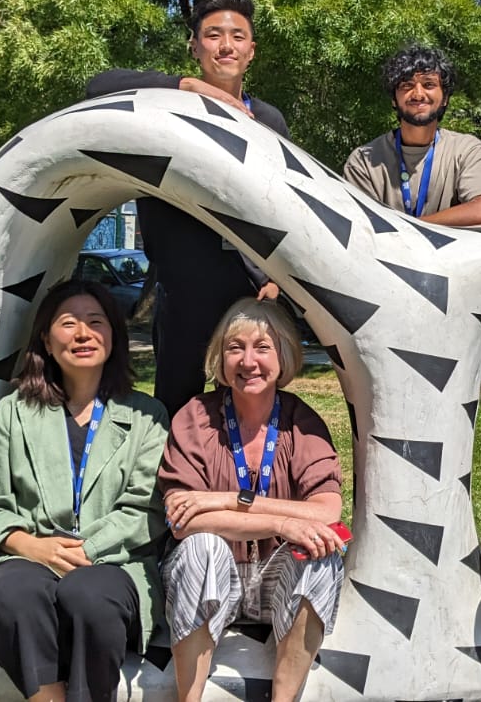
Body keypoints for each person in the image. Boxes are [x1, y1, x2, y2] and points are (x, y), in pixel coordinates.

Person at [0, 280, 169, 702]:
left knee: (88, 593)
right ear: (47, 342)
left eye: (96, 322)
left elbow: (149, 507)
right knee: (16, 591)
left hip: (113, 561)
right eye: (68, 323)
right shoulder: (13, 414)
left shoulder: (147, 416)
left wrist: (83, 550)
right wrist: (33, 548)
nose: (83, 334)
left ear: (113, 336)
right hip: (26, 556)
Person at [83, 0, 286, 413]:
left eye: (237, 36)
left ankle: (246, 477)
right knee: (177, 404)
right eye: (213, 35)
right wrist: (184, 86)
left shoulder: (268, 120)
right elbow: (97, 86)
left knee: (250, 396)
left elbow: (280, 204)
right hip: (181, 281)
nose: (225, 45)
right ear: (194, 47)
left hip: (248, 285)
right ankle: (177, 479)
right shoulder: (165, 102)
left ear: (252, 50)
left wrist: (276, 274)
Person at [157, 299, 347, 702]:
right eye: (234, 347)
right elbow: (183, 518)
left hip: (278, 581)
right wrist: (280, 522)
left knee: (318, 548)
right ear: (220, 358)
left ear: (284, 356)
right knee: (200, 546)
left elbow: (327, 510)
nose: (248, 361)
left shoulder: (302, 421)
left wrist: (226, 502)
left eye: (262, 347)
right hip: (213, 579)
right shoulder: (194, 418)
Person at [342, 44, 481, 225]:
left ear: (445, 98)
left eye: (429, 84)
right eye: (407, 85)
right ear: (394, 99)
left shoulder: (468, 150)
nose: (418, 94)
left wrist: (413, 228)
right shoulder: (364, 161)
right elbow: (361, 228)